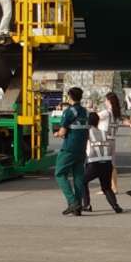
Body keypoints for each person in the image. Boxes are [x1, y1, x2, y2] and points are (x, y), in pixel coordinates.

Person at [53, 87, 89, 216]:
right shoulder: (85, 111)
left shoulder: (69, 111)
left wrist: (57, 134)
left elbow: (62, 132)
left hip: (69, 148)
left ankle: (73, 202)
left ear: (70, 96)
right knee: (78, 176)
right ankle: (77, 207)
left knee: (60, 173)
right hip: (82, 148)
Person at [81, 112, 123, 214]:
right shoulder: (104, 133)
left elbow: (82, 146)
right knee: (106, 187)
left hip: (94, 163)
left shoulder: (87, 132)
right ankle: (116, 206)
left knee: (82, 182)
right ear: (98, 121)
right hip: (107, 163)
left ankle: (86, 205)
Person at [96, 92, 123, 194]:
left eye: (105, 100)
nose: (104, 102)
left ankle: (106, 187)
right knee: (112, 165)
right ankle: (114, 187)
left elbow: (94, 117)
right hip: (112, 140)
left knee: (103, 165)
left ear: (109, 101)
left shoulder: (106, 113)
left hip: (104, 140)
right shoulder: (116, 114)